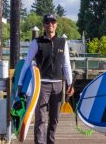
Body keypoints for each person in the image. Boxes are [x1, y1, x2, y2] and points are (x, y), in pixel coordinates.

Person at [18, 14, 74, 144]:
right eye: (47, 22)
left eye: (53, 21)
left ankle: (51, 141)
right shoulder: (36, 42)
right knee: (41, 118)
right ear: (44, 25)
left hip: (58, 85)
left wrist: (70, 83)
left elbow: (66, 64)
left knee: (54, 118)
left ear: (56, 24)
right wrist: (20, 84)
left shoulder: (62, 42)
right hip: (41, 85)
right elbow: (27, 63)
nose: (50, 24)